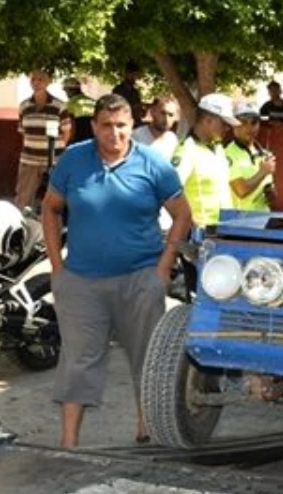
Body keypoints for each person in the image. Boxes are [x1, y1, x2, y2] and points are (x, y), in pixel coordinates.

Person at [42, 94, 192, 448]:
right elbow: (50, 209)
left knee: (146, 357)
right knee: (78, 360)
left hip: (140, 278)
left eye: (121, 126)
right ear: (93, 126)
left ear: (132, 126)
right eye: (106, 126)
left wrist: (163, 269)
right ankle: (68, 443)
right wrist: (57, 267)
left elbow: (183, 215)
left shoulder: (154, 164)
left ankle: (146, 427)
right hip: (80, 280)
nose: (114, 133)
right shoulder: (74, 160)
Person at [173, 93, 238, 227]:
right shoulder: (187, 150)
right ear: (208, 120)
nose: (227, 129)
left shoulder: (218, 149)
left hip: (224, 231)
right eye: (224, 124)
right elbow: (171, 193)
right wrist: (189, 224)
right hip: (199, 235)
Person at [16, 69, 66, 210]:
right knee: (23, 199)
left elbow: (67, 132)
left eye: (40, 79)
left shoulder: (59, 106)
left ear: (47, 82)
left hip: (54, 161)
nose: (36, 83)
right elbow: (23, 132)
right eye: (33, 80)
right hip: (29, 160)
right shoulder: (24, 106)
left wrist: (58, 153)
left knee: (57, 199)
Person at [227, 102, 276, 211]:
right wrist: (263, 172)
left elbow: (269, 193)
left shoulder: (264, 154)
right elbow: (241, 191)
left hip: (263, 218)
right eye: (244, 122)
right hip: (240, 221)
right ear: (234, 125)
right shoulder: (227, 153)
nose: (250, 128)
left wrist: (271, 193)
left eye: (254, 122)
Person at [62, 77, 98, 147]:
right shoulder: (93, 101)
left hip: (79, 137)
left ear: (71, 90)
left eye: (66, 91)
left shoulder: (70, 103)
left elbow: (72, 123)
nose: (66, 94)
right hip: (94, 137)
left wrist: (69, 141)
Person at [111, 61, 145, 126]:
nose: (134, 77)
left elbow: (139, 109)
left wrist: (141, 110)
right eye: (132, 74)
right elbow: (115, 108)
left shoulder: (135, 92)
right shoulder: (118, 90)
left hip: (135, 123)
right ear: (126, 74)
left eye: (135, 75)